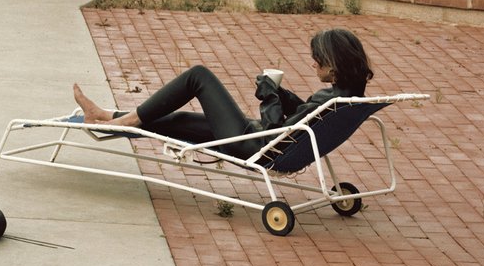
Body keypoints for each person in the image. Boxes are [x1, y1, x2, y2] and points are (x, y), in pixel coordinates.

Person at [69, 27, 375, 166]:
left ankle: (126, 118)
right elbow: (300, 115)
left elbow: (272, 133)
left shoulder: (331, 100)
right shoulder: (344, 97)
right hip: (256, 139)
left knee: (198, 76)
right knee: (178, 121)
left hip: (253, 145)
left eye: (317, 59)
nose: (313, 63)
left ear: (334, 65)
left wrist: (269, 97)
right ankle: (106, 117)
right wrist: (279, 92)